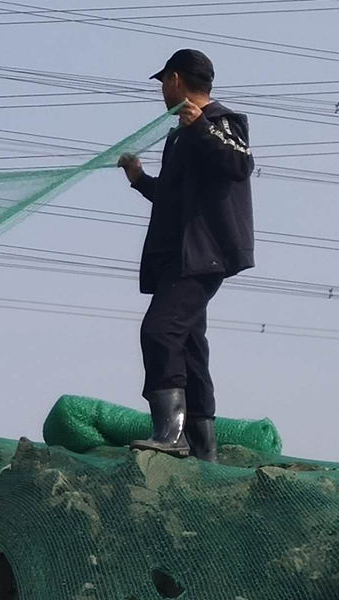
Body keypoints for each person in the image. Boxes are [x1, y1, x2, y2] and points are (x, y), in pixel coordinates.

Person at [117, 49, 255, 462]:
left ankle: (170, 434)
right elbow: (174, 199)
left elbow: (240, 162)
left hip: (202, 254)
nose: (162, 91)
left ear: (175, 80)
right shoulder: (179, 135)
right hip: (177, 255)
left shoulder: (220, 120)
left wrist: (202, 128)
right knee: (190, 347)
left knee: (159, 331)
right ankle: (203, 451)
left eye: (163, 82)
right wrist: (139, 180)